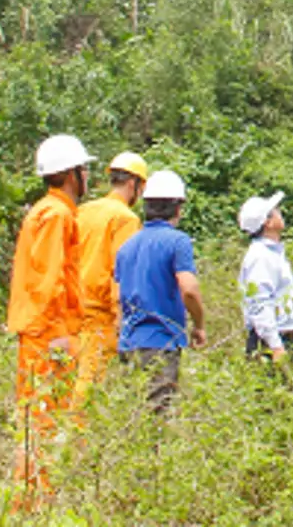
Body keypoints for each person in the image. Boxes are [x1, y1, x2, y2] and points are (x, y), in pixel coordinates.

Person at [5, 133, 91, 501]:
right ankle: (36, 499)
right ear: (73, 174)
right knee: (45, 416)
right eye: (85, 170)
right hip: (48, 333)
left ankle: (33, 495)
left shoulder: (45, 211)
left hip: (40, 330)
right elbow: (49, 278)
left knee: (39, 415)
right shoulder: (55, 215)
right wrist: (58, 333)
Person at [114, 170, 205, 411]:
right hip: (160, 342)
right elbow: (189, 290)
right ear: (177, 208)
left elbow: (117, 299)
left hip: (128, 343)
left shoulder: (126, 246)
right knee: (158, 416)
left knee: (133, 416)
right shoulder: (178, 241)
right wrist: (199, 325)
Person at [71, 151, 149, 404]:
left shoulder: (83, 210)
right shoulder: (125, 219)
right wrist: (122, 320)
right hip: (100, 313)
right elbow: (122, 273)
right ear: (133, 184)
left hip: (71, 309)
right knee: (90, 383)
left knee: (69, 379)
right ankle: (76, 439)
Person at [237, 191, 293, 362]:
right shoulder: (261, 256)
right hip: (272, 342)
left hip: (282, 339)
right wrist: (276, 345)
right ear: (267, 222)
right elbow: (260, 302)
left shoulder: (272, 253)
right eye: (275, 210)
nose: (279, 212)